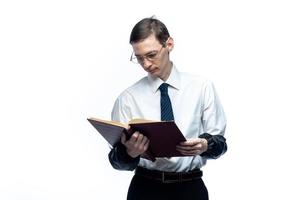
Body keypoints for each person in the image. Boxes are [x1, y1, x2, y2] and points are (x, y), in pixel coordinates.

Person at [108, 17, 227, 200]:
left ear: (169, 44)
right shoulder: (127, 99)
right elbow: (117, 161)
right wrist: (129, 152)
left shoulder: (201, 87)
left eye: (151, 55)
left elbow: (221, 145)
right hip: (145, 189)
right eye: (139, 58)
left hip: (191, 189)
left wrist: (205, 145)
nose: (146, 64)